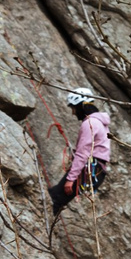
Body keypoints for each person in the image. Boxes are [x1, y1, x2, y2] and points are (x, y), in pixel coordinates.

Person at [50, 88, 111, 219]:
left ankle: (44, 228)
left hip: (89, 169)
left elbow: (83, 153)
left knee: (55, 198)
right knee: (57, 198)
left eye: (73, 108)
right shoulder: (99, 122)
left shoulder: (90, 123)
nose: (73, 113)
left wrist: (71, 179)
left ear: (81, 106)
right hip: (95, 170)